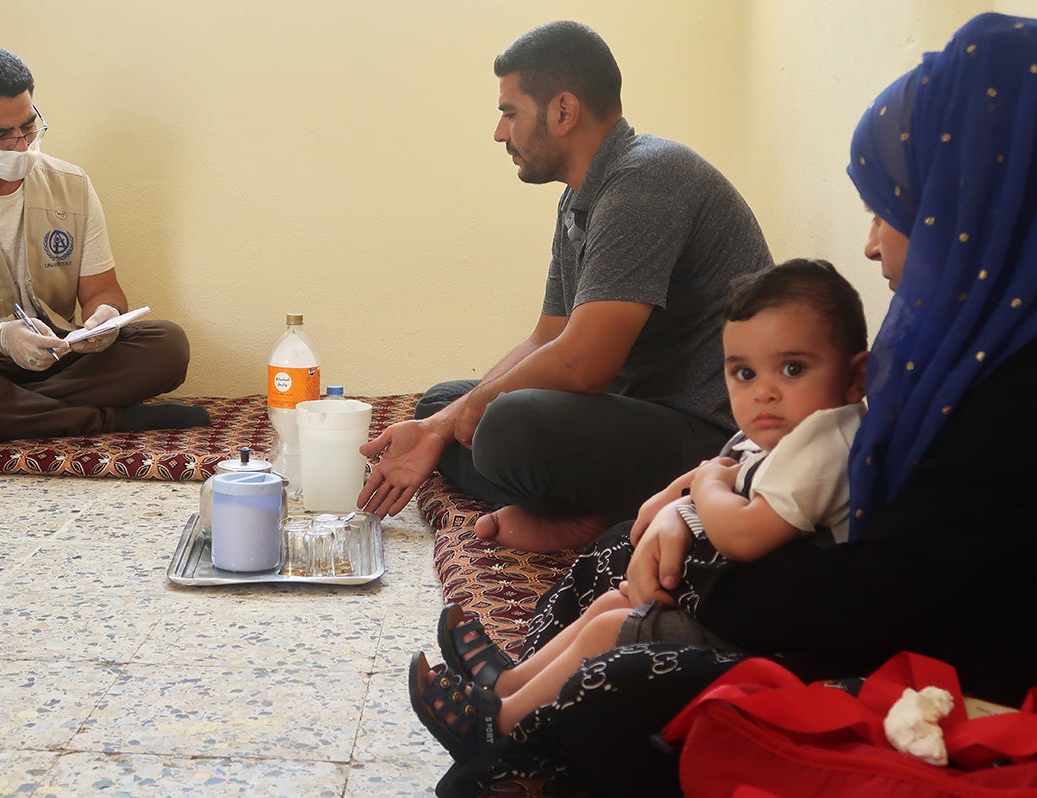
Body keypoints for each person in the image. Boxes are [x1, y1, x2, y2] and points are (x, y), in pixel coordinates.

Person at [425, 12, 1037, 796]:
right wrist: (448, 418)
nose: (872, 244)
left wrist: (700, 549)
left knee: (628, 636)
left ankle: (517, 735)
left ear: (971, 207)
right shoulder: (952, 337)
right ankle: (511, 684)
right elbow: (550, 335)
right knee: (600, 519)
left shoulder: (1010, 400)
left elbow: (583, 361)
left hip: (844, 601)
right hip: (742, 479)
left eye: (895, 209)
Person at [408, 260, 869, 785]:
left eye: (791, 369)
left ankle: (502, 728)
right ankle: (508, 684)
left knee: (611, 626)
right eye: (744, 373)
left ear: (856, 377)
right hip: (716, 600)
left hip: (763, 638)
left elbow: (743, 533)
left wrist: (704, 485)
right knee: (609, 601)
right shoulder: (774, 437)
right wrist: (686, 495)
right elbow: (686, 499)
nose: (763, 392)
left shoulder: (828, 438)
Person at [357, 21, 772, 552]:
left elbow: (584, 364)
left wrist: (471, 415)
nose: (500, 132)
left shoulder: (646, 180)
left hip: (714, 444)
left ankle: (615, 514)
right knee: (440, 406)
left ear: (563, 111)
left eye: (509, 113)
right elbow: (545, 340)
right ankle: (591, 512)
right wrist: (440, 425)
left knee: (506, 425)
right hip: (640, 417)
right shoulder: (582, 197)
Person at [0, 47, 208, 444]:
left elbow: (102, 289)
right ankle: (108, 420)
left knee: (167, 344)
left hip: (56, 359)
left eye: (29, 127)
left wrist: (105, 317)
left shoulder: (71, 185)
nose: (20, 145)